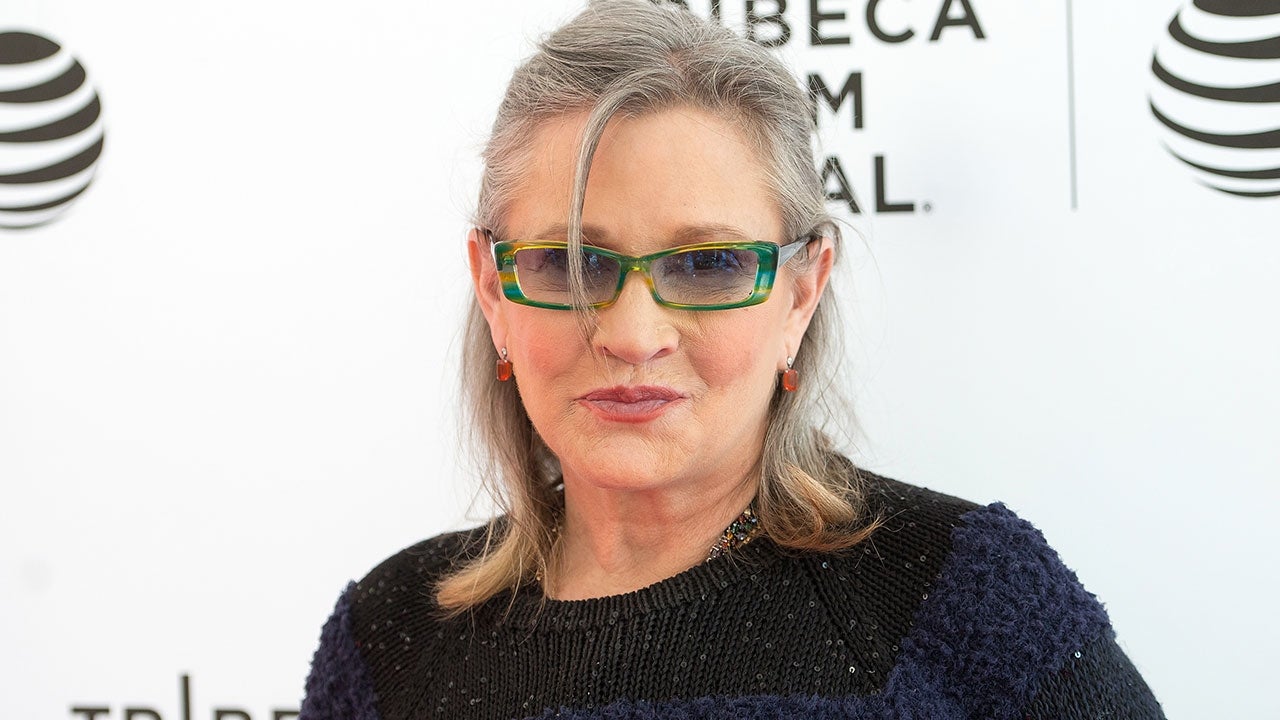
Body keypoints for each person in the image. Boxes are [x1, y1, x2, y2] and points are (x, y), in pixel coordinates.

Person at [298, 1, 1164, 718]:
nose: (634, 334)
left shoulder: (964, 597)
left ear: (802, 292)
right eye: (570, 262)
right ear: (494, 289)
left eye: (708, 264)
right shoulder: (388, 635)